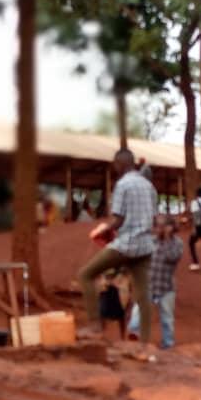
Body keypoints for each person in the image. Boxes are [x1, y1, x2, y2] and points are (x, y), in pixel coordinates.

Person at [78, 148, 157, 346]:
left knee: (85, 274)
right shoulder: (149, 186)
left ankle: (95, 325)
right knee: (143, 295)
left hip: (126, 244)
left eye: (115, 164)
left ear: (120, 163)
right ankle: (144, 342)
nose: (115, 167)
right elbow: (153, 219)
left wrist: (103, 229)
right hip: (146, 246)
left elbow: (118, 220)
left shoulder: (122, 185)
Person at [128, 214, 184, 349]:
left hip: (166, 287)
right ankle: (134, 336)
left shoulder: (177, 243)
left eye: (161, 226)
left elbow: (172, 257)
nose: (157, 229)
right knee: (138, 313)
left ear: (170, 228)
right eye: (156, 226)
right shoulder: (151, 241)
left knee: (167, 319)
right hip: (148, 284)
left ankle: (168, 345)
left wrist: (167, 239)